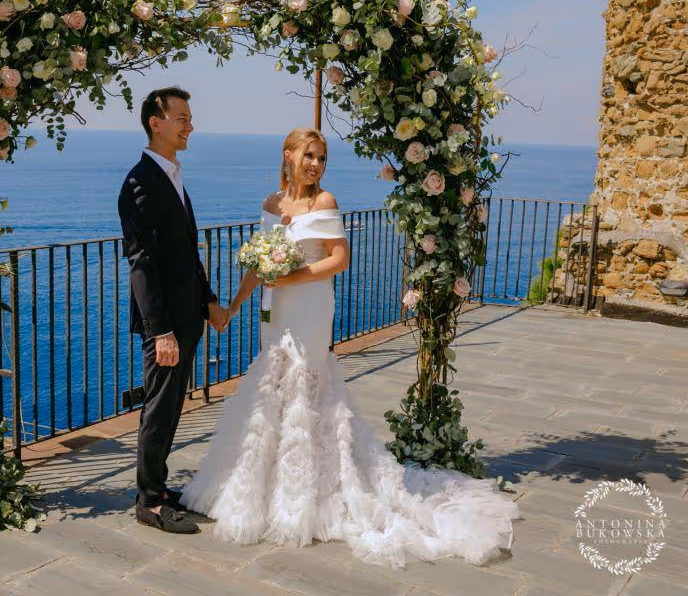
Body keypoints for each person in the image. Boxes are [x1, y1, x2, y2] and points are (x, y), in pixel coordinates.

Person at [180, 127, 520, 567]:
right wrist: (231, 306)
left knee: (307, 381)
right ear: (288, 156)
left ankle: (308, 494)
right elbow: (259, 265)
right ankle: (264, 489)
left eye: (321, 158)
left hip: (310, 305)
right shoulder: (271, 204)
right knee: (274, 380)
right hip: (275, 309)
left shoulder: (325, 202)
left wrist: (294, 277)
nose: (315, 165)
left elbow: (339, 257)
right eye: (309, 156)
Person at [118, 87, 229, 535]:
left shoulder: (172, 175)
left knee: (172, 404)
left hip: (187, 315)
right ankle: (149, 500)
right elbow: (141, 263)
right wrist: (160, 330)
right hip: (164, 323)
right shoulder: (140, 181)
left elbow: (186, 252)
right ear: (155, 122)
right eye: (181, 118)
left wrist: (209, 300)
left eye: (189, 117)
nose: (189, 126)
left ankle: (160, 488)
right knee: (159, 407)